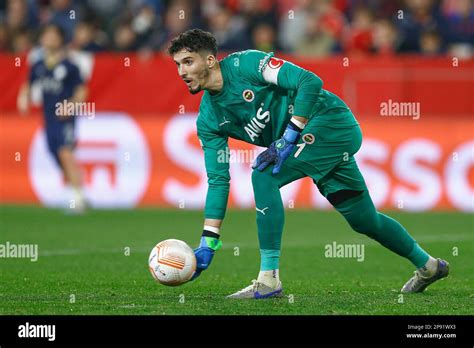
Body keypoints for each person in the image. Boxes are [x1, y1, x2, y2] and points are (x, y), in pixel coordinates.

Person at [168, 29, 449, 299]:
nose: (181, 72)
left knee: (263, 175)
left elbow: (309, 81)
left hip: (330, 122)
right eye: (178, 65)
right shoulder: (208, 121)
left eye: (188, 62)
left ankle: (269, 280)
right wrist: (209, 241)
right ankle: (429, 266)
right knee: (364, 219)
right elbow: (218, 180)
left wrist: (289, 134)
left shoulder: (246, 64)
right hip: (311, 144)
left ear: (210, 60)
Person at [17, 24, 87, 213]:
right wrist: (23, 97)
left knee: (66, 153)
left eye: (53, 35)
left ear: (60, 39)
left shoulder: (70, 66)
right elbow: (28, 84)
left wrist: (70, 105)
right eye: (46, 35)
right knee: (55, 154)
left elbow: (82, 91)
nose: (49, 39)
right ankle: (75, 188)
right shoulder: (38, 65)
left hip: (65, 119)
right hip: (48, 118)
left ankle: (78, 198)